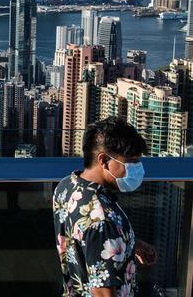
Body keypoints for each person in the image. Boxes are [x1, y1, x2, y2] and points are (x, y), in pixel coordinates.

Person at [53, 117, 157, 297]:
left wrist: (130, 243)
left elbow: (84, 242)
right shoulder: (101, 219)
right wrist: (112, 237)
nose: (136, 168)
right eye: (130, 162)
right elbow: (102, 293)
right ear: (103, 160)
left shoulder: (67, 186)